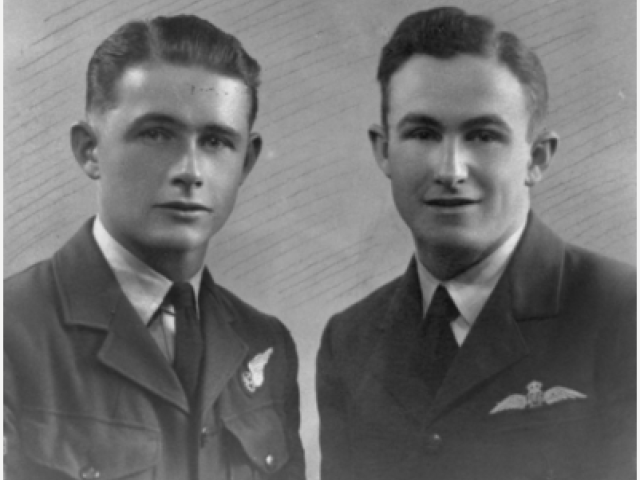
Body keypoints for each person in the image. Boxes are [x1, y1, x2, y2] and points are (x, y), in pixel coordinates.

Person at [316, 7, 635, 480]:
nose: (450, 170)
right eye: (423, 133)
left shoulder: (620, 311)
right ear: (384, 150)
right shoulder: (350, 342)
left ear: (538, 158)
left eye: (484, 135)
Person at [4, 15, 305, 480]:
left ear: (246, 161)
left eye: (216, 141)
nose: (190, 170)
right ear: (89, 150)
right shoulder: (13, 331)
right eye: (157, 134)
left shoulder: (265, 344)